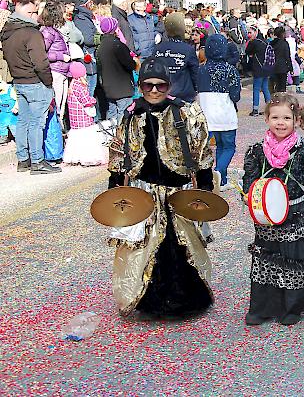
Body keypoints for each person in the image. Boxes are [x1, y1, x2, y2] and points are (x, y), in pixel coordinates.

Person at [107, 57, 215, 318]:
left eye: (161, 85)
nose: (154, 91)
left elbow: (201, 152)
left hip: (177, 194)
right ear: (140, 86)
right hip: (145, 195)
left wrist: (205, 188)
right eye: (148, 85)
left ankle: (183, 300)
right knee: (145, 250)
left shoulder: (186, 113)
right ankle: (149, 301)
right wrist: (114, 188)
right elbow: (119, 154)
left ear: (169, 85)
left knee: (180, 248)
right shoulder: (131, 116)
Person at [242, 93, 304, 326]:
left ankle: (292, 307)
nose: (280, 123)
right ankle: (262, 307)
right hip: (268, 215)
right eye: (275, 117)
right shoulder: (257, 151)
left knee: (294, 258)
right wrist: (248, 194)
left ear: (297, 120)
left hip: (297, 212)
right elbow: (250, 179)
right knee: (267, 259)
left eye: (286, 118)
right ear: (267, 119)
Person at [1, 0, 60, 174]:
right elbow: (41, 63)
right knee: (36, 123)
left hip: (19, 80)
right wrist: (48, 83)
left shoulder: (8, 32)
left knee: (24, 121)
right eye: (35, 12)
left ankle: (23, 159)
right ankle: (37, 161)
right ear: (28, 13)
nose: (37, 16)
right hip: (35, 81)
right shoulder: (31, 33)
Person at [197, 34, 241, 191]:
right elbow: (235, 95)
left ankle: (220, 180)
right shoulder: (230, 70)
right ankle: (219, 172)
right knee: (228, 146)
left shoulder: (200, 70)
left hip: (205, 115)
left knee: (207, 148)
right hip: (226, 114)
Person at [63, 61, 107, 166]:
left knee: (76, 140)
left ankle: (75, 158)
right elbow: (86, 101)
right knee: (87, 139)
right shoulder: (81, 86)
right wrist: (93, 100)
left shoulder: (72, 85)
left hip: (74, 120)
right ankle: (88, 158)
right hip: (83, 118)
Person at [96, 17, 137, 122]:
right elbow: (130, 65)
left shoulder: (100, 47)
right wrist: (134, 61)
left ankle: (111, 134)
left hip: (108, 87)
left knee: (112, 112)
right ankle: (121, 136)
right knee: (124, 115)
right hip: (122, 88)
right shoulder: (118, 45)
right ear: (114, 29)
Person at [153, 12, 199, 103]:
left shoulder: (157, 49)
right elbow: (195, 73)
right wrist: (197, 89)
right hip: (183, 96)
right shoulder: (188, 49)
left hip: (163, 94)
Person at [40, 2, 71, 124]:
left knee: (62, 104)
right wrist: (61, 56)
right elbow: (42, 53)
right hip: (55, 71)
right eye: (63, 12)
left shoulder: (56, 30)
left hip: (63, 71)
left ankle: (60, 130)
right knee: (57, 104)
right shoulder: (48, 32)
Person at [72, 0, 99, 103]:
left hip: (89, 58)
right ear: (85, 4)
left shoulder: (85, 17)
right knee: (88, 91)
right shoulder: (81, 19)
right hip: (88, 60)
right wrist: (100, 38)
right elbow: (88, 39)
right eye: (89, 2)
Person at [245, 24, 272, 116]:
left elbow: (247, 51)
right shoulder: (265, 41)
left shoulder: (254, 42)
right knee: (265, 88)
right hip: (267, 68)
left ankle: (255, 109)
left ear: (256, 32)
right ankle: (269, 109)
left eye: (250, 32)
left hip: (258, 68)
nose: (249, 35)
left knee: (256, 89)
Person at [270, 25, 292, 94]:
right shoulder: (284, 43)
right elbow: (287, 56)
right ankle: (281, 101)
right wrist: (290, 68)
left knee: (274, 87)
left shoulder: (271, 43)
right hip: (282, 67)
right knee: (282, 88)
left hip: (273, 67)